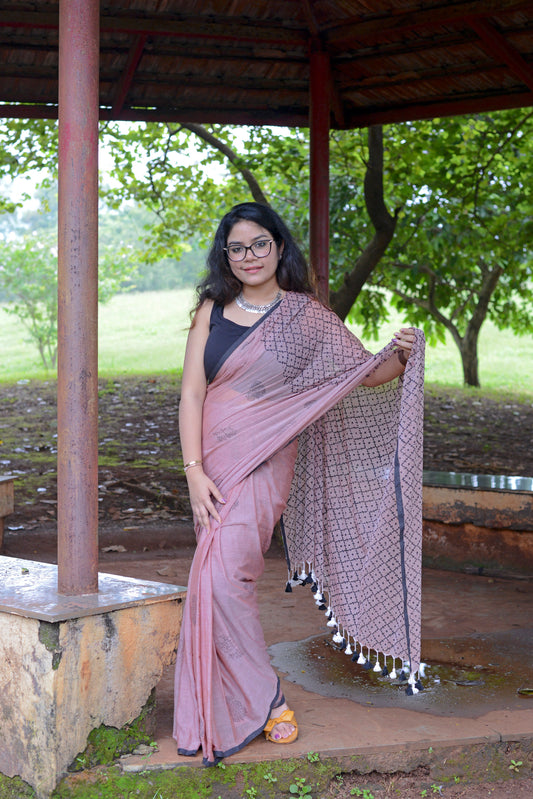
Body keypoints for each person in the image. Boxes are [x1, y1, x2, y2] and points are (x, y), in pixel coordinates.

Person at [173, 202, 425, 765]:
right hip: (210, 463)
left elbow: (361, 372)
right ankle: (247, 695)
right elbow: (192, 393)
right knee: (217, 580)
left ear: (279, 248)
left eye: (260, 244)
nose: (249, 256)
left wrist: (401, 355)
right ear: (226, 256)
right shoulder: (211, 310)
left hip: (264, 459)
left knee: (225, 579)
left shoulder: (305, 317)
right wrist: (192, 472)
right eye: (237, 248)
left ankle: (266, 700)